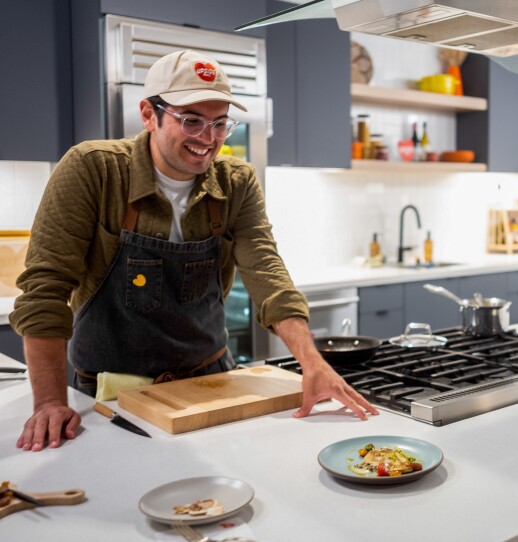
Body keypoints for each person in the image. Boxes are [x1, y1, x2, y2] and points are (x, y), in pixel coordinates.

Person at [12, 50, 378, 452]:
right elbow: (45, 290)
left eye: (220, 123)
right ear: (149, 115)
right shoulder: (93, 170)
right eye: (191, 121)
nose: (209, 138)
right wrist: (49, 403)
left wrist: (313, 363)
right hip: (111, 390)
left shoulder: (237, 182)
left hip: (212, 381)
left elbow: (267, 273)